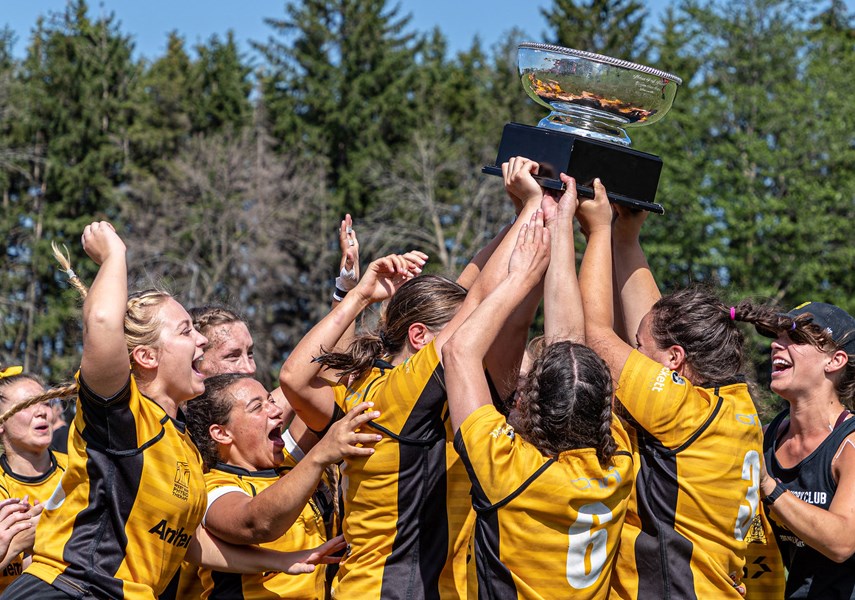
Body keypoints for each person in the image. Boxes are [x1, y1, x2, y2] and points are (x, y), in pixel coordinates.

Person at [1, 221, 344, 600]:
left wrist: (283, 560)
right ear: (146, 356)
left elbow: (187, 542)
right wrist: (114, 255)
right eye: (185, 331)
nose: (199, 338)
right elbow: (101, 321)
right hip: (71, 590)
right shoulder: (124, 415)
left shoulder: (183, 443)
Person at [280, 160, 546, 599]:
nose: (479, 338)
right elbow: (476, 301)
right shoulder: (398, 394)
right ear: (420, 337)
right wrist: (533, 207)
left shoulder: (374, 385)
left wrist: (519, 216)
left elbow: (470, 284)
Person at [577, 181, 773, 598]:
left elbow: (593, 334)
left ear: (675, 359)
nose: (631, 354)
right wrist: (626, 239)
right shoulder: (734, 404)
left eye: (637, 348)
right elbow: (656, 324)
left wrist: (598, 233)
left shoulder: (681, 409)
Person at [444, 184, 634, 599]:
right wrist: (561, 222)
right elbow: (569, 342)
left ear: (529, 402)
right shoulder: (617, 464)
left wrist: (523, 277)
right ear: (606, 405)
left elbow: (457, 351)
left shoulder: (509, 470)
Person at [183, 372, 379, 599]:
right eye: (257, 407)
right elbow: (255, 523)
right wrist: (318, 455)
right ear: (221, 433)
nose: (276, 411)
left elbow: (322, 369)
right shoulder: (212, 486)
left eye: (272, 401)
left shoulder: (289, 464)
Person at [756, 301, 855, 598]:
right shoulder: (764, 439)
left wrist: (768, 486)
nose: (777, 345)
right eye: (778, 337)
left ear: (835, 361)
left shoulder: (849, 446)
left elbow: (842, 543)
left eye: (796, 339)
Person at [0, 371, 65, 592]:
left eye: (46, 403)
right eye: (28, 405)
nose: (42, 412)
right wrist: (17, 544)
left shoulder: (78, 470)